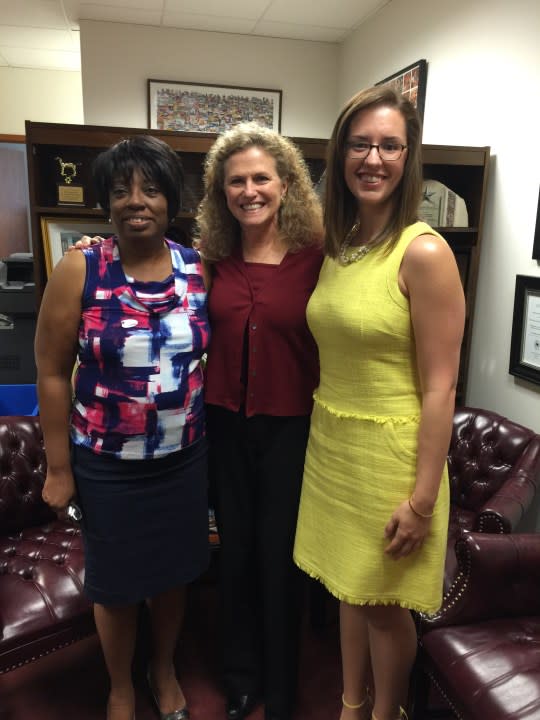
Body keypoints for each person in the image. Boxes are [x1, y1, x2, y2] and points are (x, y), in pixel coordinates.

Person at [293, 86, 465, 720]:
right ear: (340, 155)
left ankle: (387, 713)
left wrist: (422, 500)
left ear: (408, 157)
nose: (374, 158)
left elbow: (441, 386)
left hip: (391, 458)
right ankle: (349, 705)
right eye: (360, 143)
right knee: (349, 588)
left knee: (384, 607)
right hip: (335, 446)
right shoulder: (339, 246)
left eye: (390, 145)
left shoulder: (423, 252)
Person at [35, 135, 210, 720]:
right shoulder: (79, 267)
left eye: (152, 189)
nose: (137, 201)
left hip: (184, 459)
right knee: (114, 584)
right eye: (121, 190)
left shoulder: (199, 268)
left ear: (171, 201)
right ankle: (120, 686)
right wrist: (59, 468)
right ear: (105, 203)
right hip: (106, 464)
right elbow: (53, 372)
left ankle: (162, 671)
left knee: (174, 575)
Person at [195, 122, 323, 720]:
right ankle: (239, 675)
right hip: (223, 424)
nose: (249, 190)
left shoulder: (318, 260)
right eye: (236, 182)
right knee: (236, 552)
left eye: (261, 178)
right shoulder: (210, 260)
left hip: (291, 430)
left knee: (280, 556)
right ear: (222, 193)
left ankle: (281, 682)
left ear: (286, 183)